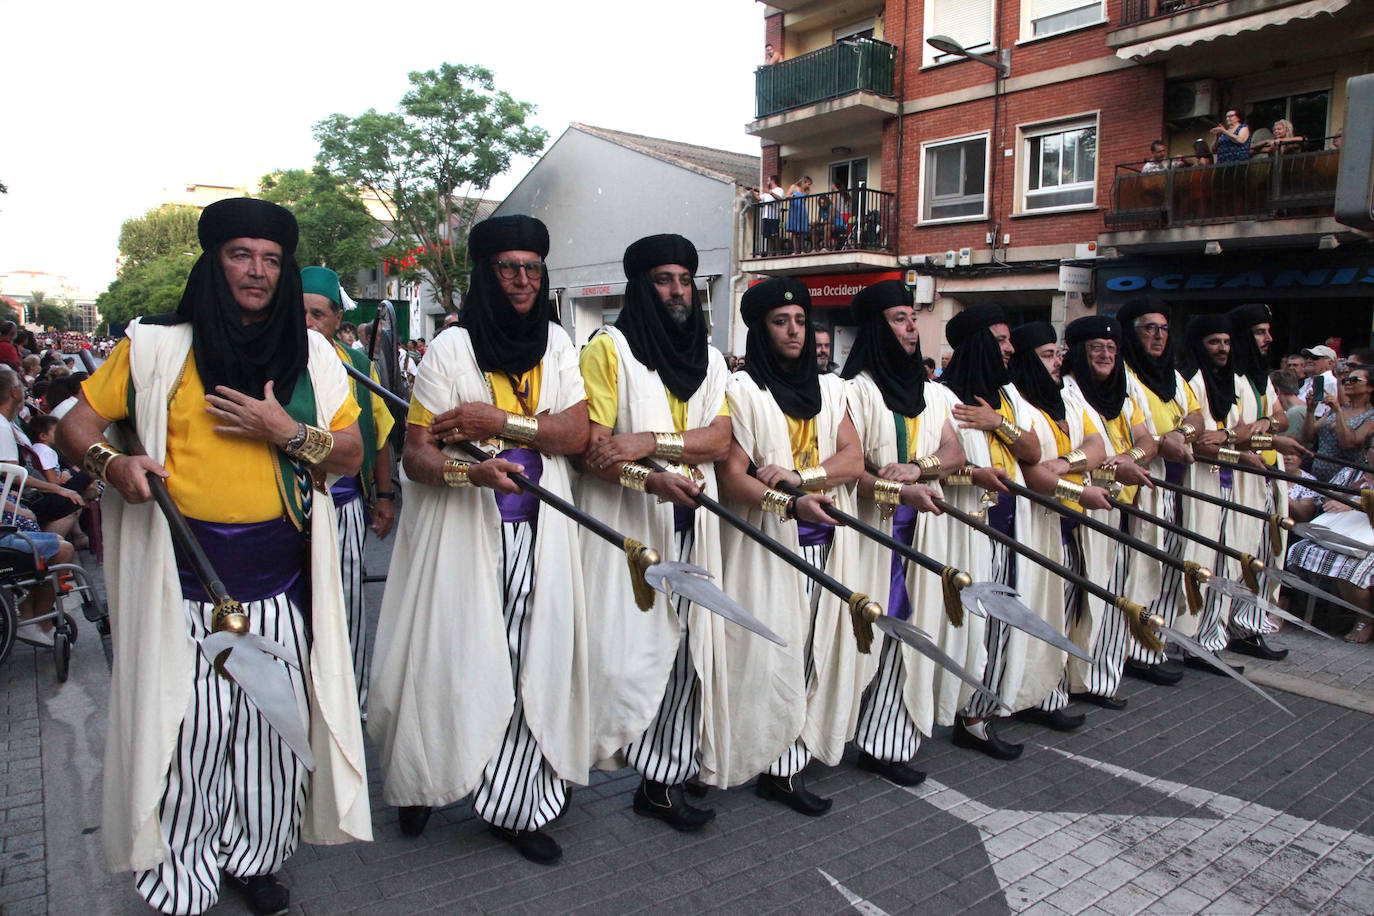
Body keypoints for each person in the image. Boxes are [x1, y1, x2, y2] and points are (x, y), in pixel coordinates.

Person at [55, 197, 370, 915]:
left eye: (270, 258)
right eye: (240, 255)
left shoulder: (312, 354)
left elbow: (348, 454)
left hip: (281, 578)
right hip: (183, 578)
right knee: (190, 734)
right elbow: (74, 426)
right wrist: (113, 466)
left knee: (271, 728)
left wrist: (287, 431)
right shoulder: (157, 346)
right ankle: (183, 869)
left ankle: (258, 858)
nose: (257, 271)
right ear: (214, 261)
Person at [368, 215, 592, 866]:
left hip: (539, 535)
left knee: (527, 663)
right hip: (461, 535)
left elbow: (576, 434)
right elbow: (415, 455)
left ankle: (517, 802)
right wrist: (472, 469)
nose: (522, 281)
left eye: (532, 268)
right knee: (447, 662)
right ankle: (424, 780)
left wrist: (501, 423)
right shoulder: (450, 351)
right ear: (485, 274)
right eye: (508, 268)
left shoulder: (556, 343)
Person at [576, 234, 730, 830]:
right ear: (641, 286)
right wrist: (653, 479)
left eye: (685, 280)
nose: (676, 291)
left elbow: (719, 440)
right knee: (623, 657)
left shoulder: (711, 359)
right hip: (630, 530)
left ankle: (662, 779)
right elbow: (593, 451)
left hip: (695, 526)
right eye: (664, 280)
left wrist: (648, 443)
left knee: (688, 653)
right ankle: (566, 765)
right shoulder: (608, 350)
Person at [707, 277, 863, 814]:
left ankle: (790, 764)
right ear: (760, 330)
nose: (795, 331)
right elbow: (732, 477)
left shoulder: (834, 389)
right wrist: (787, 504)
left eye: (801, 321)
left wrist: (801, 477)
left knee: (815, 652)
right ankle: (764, 758)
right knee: (771, 654)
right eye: (781, 322)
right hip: (770, 546)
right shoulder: (744, 392)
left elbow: (852, 459)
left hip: (827, 543)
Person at [842, 280, 968, 787]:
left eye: (913, 317)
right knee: (861, 634)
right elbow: (852, 472)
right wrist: (898, 491)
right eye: (899, 318)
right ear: (877, 328)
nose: (912, 327)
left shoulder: (933, 393)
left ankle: (886, 741)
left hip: (921, 536)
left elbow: (954, 453)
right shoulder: (854, 391)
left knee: (908, 637)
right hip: (873, 533)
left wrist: (918, 468)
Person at [938, 306, 1046, 760]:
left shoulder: (1009, 398)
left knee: (1002, 625)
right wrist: (970, 472)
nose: (1009, 349)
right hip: (964, 527)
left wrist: (997, 423)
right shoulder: (942, 396)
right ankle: (948, 707)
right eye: (999, 340)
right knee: (966, 628)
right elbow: (938, 465)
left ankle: (979, 716)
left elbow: (1034, 452)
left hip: (1008, 524)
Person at [1004, 322, 1114, 734]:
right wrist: (1078, 488)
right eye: (1046, 355)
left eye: (1057, 354)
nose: (1056, 362)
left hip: (1072, 523)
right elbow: (1032, 473)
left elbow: (1096, 445)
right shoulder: (1019, 405)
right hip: (1038, 520)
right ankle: (1039, 695)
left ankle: (1056, 687)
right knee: (1042, 607)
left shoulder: (1067, 397)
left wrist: (1067, 464)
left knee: (1067, 605)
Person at [301, 266, 397, 716]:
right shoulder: (273, 360)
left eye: (317, 314)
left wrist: (383, 497)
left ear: (337, 319)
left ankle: (351, 697)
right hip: (291, 509)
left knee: (349, 604)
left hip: (343, 506)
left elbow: (379, 435)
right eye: (299, 312)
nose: (308, 323)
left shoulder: (359, 366)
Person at [1059, 316, 1157, 709]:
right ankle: (1068, 679)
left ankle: (1101, 678)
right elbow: (1066, 457)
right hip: (1084, 507)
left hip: (1125, 506)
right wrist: (1112, 466)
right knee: (1082, 600)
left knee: (1116, 596)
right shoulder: (1067, 394)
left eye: (1112, 349)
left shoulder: (1123, 396)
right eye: (1096, 348)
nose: (1105, 356)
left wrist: (1125, 457)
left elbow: (1148, 440)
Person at [1287, 440, 1374, 644]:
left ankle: (1365, 619)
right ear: (1366, 453)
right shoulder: (1352, 473)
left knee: (1349, 568)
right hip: (1341, 533)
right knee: (1309, 550)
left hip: (1367, 538)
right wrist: (1347, 493)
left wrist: (1357, 503)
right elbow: (1325, 500)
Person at [1303, 365, 1374, 482]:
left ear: (1370, 387)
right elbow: (1308, 437)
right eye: (1345, 380)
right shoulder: (1337, 408)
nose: (1347, 383)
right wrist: (1310, 410)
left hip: (1345, 480)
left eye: (1355, 380)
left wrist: (1338, 412)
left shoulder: (1370, 416)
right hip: (1317, 475)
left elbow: (1348, 443)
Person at [1298, 344, 1338, 419]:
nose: (1308, 360)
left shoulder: (1328, 382)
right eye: (1307, 357)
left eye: (1314, 357)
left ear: (1330, 363)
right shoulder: (1310, 381)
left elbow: (1317, 415)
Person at [755, 176, 785, 255]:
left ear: (772, 180)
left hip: (774, 216)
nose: (767, 181)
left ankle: (778, 253)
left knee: (775, 235)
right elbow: (759, 198)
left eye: (768, 180)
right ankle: (770, 253)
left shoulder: (779, 190)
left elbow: (779, 198)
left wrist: (770, 193)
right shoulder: (767, 192)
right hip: (766, 216)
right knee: (767, 236)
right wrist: (753, 193)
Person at [785, 176, 813, 253]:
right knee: (794, 231)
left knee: (802, 231)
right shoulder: (793, 187)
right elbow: (786, 196)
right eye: (808, 184)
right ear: (804, 182)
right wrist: (791, 196)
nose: (809, 186)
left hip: (802, 210)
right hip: (794, 210)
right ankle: (796, 250)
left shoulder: (805, 191)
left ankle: (802, 249)